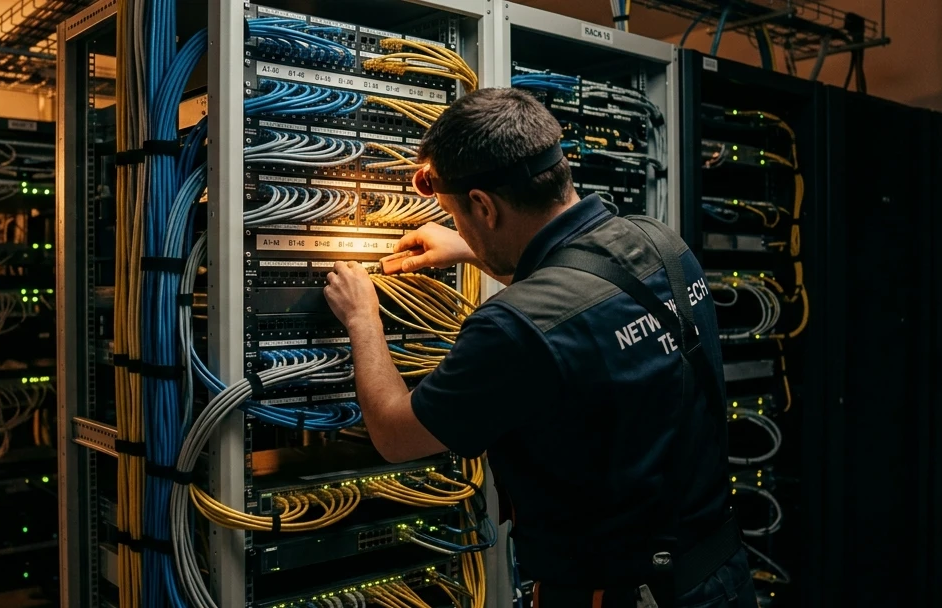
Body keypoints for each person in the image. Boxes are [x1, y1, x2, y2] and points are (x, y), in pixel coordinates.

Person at [323, 88, 757, 608]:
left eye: (460, 217)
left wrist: (362, 317)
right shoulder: (664, 245)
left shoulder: (511, 329)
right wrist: (471, 248)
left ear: (483, 205)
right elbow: (585, 293)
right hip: (718, 576)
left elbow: (396, 434)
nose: (460, 227)